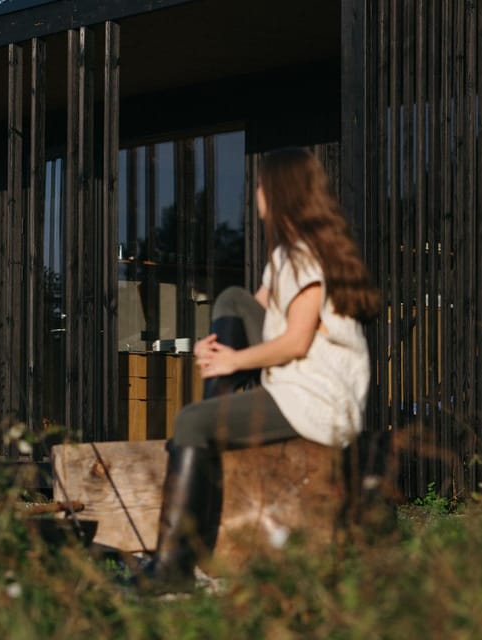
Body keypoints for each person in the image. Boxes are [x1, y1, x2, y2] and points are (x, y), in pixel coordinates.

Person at [135, 146, 381, 593]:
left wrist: (232, 361)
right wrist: (212, 351)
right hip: (296, 384)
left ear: (281, 190)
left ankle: (172, 568)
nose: (256, 195)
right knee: (230, 297)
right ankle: (218, 415)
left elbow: (295, 341)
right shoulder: (284, 258)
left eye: (262, 186)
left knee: (191, 420)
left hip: (318, 398)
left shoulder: (305, 257)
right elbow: (254, 314)